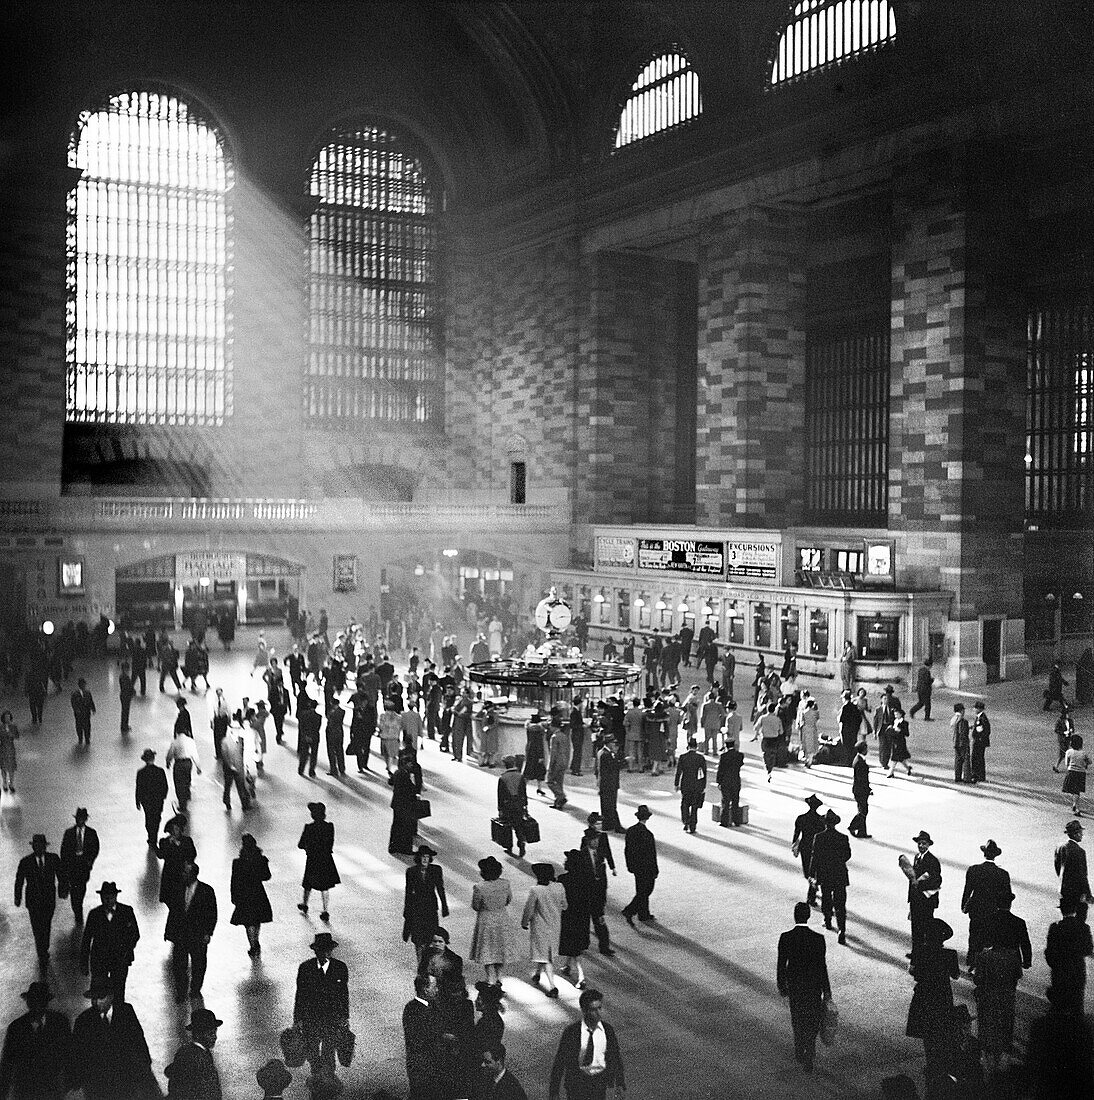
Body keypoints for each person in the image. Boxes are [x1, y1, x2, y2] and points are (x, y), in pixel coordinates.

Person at [68, 980, 158, 1100]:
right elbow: (77, 1052)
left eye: (100, 998)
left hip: (124, 1077)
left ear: (111, 997)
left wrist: (145, 1066)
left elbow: (138, 1039)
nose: (96, 1002)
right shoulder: (83, 1020)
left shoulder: (126, 1012)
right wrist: (76, 1080)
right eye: (93, 999)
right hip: (97, 1081)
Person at [906, 917, 960, 1095]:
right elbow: (956, 975)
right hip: (942, 995)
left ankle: (931, 1064)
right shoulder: (949, 954)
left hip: (924, 994)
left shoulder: (920, 951)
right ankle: (940, 1066)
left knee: (927, 1032)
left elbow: (914, 972)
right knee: (941, 1030)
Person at [776, 902, 831, 1073]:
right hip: (814, 987)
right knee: (813, 1018)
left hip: (795, 986)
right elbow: (822, 966)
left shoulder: (786, 937)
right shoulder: (818, 939)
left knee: (797, 1018)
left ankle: (800, 1047)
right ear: (808, 916)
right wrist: (827, 989)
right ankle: (810, 1046)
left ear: (795, 916)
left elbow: (781, 965)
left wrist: (782, 985)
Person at [548, 987, 626, 1100]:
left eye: (600, 1008)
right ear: (584, 1010)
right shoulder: (572, 1032)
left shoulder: (608, 1030)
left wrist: (619, 1084)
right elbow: (560, 1062)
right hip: (577, 1085)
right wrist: (554, 1092)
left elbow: (615, 1058)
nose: (599, 1013)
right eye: (594, 1010)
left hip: (599, 1084)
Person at [0, 981, 70, 1100]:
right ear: (28, 1003)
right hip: (25, 1090)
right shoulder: (16, 1028)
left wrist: (69, 1082)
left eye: (40, 1002)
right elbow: (7, 1062)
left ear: (46, 1003)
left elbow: (68, 1053)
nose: (37, 1006)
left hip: (51, 1089)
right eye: (33, 1002)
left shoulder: (60, 1023)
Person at [294, 932, 350, 1076]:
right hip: (311, 1019)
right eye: (321, 951)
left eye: (327, 950)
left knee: (329, 1052)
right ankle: (316, 1074)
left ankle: (328, 1077)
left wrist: (344, 1017)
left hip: (331, 1019)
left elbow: (344, 994)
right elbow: (300, 995)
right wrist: (297, 1019)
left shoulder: (340, 968)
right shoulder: (305, 968)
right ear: (316, 951)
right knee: (312, 1051)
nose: (325, 954)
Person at [165, 860, 217, 1001]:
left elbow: (212, 914)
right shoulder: (177, 889)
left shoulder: (206, 891)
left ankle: (195, 989)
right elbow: (173, 912)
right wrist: (169, 932)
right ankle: (181, 992)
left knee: (198, 964)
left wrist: (208, 932)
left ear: (193, 874)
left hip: (198, 935)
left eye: (185, 872)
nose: (183, 875)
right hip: (181, 935)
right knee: (179, 966)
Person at [79, 881, 139, 1000]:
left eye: (110, 897)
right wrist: (84, 963)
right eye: (105, 897)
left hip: (120, 959)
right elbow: (86, 939)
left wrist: (126, 950)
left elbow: (135, 934)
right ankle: (99, 1016)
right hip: (99, 960)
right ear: (101, 897)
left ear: (116, 897)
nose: (107, 900)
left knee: (119, 992)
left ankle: (118, 1016)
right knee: (99, 993)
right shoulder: (94, 914)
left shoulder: (126, 912)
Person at [14, 834, 65, 968]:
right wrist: (17, 897)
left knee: (46, 924)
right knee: (37, 927)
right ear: (33, 847)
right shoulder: (26, 862)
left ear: (45, 847)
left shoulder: (53, 859)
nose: (39, 848)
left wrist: (63, 889)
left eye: (41, 846)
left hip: (49, 900)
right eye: (36, 846)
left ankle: (44, 948)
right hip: (33, 901)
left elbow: (61, 875)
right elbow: (19, 880)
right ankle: (41, 951)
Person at [960, 839, 1011, 970]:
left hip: (976, 909)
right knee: (989, 936)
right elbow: (1006, 896)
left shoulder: (973, 869)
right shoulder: (1003, 874)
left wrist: (964, 906)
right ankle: (984, 965)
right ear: (996, 856)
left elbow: (967, 890)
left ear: (984, 854)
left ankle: (972, 962)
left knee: (974, 935)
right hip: (993, 910)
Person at [1045, 895, 1094, 1018]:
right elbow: (1088, 949)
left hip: (1059, 970)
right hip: (1077, 969)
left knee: (1059, 1001)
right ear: (1075, 910)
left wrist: (1054, 965)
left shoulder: (1055, 927)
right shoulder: (1084, 927)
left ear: (1062, 910)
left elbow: (1049, 952)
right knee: (1077, 1000)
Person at [522, 862, 566, 997]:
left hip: (541, 927)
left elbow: (529, 909)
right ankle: (537, 974)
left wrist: (524, 922)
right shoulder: (559, 887)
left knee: (546, 957)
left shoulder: (536, 890)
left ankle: (552, 987)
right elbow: (564, 906)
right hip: (555, 925)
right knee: (546, 952)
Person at [809, 810, 851, 945]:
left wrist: (812, 874)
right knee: (840, 902)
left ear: (825, 824)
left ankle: (827, 920)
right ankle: (842, 930)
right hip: (839, 874)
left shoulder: (819, 837)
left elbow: (814, 857)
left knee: (826, 897)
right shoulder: (843, 837)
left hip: (825, 874)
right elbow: (847, 855)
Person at [470, 856, 513, 987]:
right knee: (501, 949)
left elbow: (476, 906)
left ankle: (490, 978)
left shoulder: (479, 887)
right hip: (502, 918)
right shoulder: (505, 884)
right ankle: (499, 977)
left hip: (486, 920)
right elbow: (508, 900)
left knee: (487, 951)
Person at [165, 1007, 223, 1099]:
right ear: (198, 1034)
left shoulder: (185, 1051)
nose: (215, 1037)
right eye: (210, 1033)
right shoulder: (199, 1058)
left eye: (215, 1032)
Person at [404, 845, 450, 960]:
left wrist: (444, 905)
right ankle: (421, 964)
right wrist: (407, 910)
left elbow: (440, 888)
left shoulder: (436, 870)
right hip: (417, 908)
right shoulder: (411, 871)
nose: (425, 859)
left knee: (431, 935)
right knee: (418, 938)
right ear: (418, 858)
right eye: (423, 857)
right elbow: (408, 891)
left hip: (430, 908)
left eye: (427, 857)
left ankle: (430, 962)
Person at [230, 834, 272, 958]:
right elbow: (267, 876)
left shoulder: (237, 862)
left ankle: (252, 945)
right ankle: (256, 941)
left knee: (248, 922)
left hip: (243, 894)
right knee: (257, 919)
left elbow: (234, 880)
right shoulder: (261, 859)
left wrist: (234, 896)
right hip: (258, 892)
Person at [299, 802, 340, 922]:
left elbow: (300, 844)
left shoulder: (309, 828)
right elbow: (330, 843)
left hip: (312, 859)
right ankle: (325, 910)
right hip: (326, 859)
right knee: (325, 886)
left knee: (308, 883)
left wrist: (308, 847)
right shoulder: (329, 827)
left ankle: (305, 904)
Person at [557, 850, 592, 991]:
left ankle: (581, 977)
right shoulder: (587, 879)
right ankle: (567, 966)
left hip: (568, 916)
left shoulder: (562, 879)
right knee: (575, 944)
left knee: (573, 948)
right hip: (583, 917)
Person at [901, 830, 942, 948]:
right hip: (915, 899)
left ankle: (923, 954)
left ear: (929, 845)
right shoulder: (916, 857)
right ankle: (916, 952)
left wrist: (919, 884)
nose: (921, 846)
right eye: (919, 843)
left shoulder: (933, 860)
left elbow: (937, 880)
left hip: (926, 901)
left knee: (925, 927)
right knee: (915, 927)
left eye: (924, 843)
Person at [403, 973, 441, 1100]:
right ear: (425, 989)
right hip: (422, 1068)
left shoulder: (431, 1006)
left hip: (431, 1066)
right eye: (434, 987)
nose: (437, 990)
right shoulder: (413, 1010)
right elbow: (418, 1040)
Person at [581, 818, 615, 957]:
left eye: (597, 839)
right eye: (594, 840)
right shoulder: (582, 856)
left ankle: (604, 946)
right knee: (584, 923)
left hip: (598, 895)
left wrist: (603, 896)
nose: (596, 842)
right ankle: (583, 944)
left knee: (600, 922)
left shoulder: (600, 854)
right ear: (588, 841)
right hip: (587, 894)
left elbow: (603, 878)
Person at [59, 806, 99, 925]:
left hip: (83, 865)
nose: (80, 820)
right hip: (72, 865)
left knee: (81, 888)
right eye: (78, 818)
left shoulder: (91, 833)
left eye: (82, 818)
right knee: (74, 890)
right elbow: (64, 850)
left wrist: (90, 861)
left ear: (85, 819)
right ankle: (78, 911)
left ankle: (78, 905)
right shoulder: (69, 833)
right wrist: (65, 865)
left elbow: (95, 848)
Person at [621, 805, 658, 927]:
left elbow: (627, 850)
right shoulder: (648, 834)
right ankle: (630, 910)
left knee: (640, 889)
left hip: (636, 866)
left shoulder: (631, 831)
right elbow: (652, 855)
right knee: (646, 890)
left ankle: (643, 913)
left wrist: (629, 865)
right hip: (647, 867)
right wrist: (655, 869)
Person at [1055, 818, 1092, 921]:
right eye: (1081, 833)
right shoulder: (1080, 851)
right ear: (1076, 834)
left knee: (1066, 917)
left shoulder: (1060, 847)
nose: (1082, 835)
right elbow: (1082, 875)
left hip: (1064, 888)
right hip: (1077, 892)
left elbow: (1057, 866)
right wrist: (1087, 894)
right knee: (1080, 919)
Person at [791, 795, 825, 907]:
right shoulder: (821, 820)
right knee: (814, 871)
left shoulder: (801, 818)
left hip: (805, 846)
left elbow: (796, 834)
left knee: (807, 871)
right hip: (816, 848)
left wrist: (794, 844)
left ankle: (811, 893)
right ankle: (813, 888)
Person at [389, 749, 424, 855]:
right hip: (405, 805)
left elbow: (390, 782)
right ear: (406, 764)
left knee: (396, 825)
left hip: (397, 804)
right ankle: (405, 848)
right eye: (409, 763)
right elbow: (409, 789)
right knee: (406, 827)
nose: (411, 765)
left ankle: (394, 846)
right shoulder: (405, 775)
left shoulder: (398, 772)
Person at [158, 814, 197, 907]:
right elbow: (161, 855)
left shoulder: (187, 841)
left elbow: (192, 854)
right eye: (173, 829)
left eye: (176, 829)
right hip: (170, 876)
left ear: (180, 830)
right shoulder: (164, 842)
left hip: (183, 874)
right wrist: (169, 844)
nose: (174, 832)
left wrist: (179, 846)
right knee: (172, 902)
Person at [135, 748, 169, 848]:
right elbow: (165, 786)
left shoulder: (141, 772)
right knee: (157, 818)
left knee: (149, 818)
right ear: (153, 758)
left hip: (146, 801)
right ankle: (154, 836)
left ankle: (151, 836)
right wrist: (163, 797)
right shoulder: (160, 771)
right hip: (158, 800)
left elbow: (139, 787)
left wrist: (138, 800)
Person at [497, 756, 529, 859]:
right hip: (519, 805)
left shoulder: (503, 778)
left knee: (507, 827)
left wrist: (500, 809)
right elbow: (524, 792)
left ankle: (509, 846)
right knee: (518, 826)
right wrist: (525, 806)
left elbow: (500, 795)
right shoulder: (520, 776)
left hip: (507, 806)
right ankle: (521, 843)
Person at [418, 927, 464, 995]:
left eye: (440, 942)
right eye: (434, 941)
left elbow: (455, 980)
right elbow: (421, 971)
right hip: (427, 988)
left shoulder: (455, 959)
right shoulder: (426, 954)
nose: (437, 944)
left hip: (445, 991)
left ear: (446, 942)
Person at [674, 738, 707, 834]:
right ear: (696, 747)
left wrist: (676, 784)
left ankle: (686, 821)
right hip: (697, 785)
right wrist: (703, 785)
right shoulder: (700, 758)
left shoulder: (683, 757)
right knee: (694, 805)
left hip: (685, 784)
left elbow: (678, 772)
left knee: (685, 803)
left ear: (688, 746)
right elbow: (703, 773)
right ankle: (693, 825)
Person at [166, 724, 202, 811]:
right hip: (188, 763)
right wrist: (198, 767)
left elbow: (170, 754)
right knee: (187, 780)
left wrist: (168, 762)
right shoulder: (190, 741)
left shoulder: (175, 742)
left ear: (177, 732)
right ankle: (186, 795)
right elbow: (195, 754)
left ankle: (182, 803)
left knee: (178, 783)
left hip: (178, 763)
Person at [594, 734, 623, 834]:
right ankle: (617, 826)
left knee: (606, 806)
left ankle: (607, 824)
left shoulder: (600, 752)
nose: (615, 745)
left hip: (604, 783)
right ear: (609, 743)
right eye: (613, 743)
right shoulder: (606, 755)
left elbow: (597, 769)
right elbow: (614, 767)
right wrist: (623, 761)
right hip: (609, 784)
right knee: (611, 806)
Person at [219, 726, 250, 812]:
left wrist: (245, 765)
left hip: (239, 766)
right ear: (231, 730)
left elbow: (242, 753)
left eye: (238, 729)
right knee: (228, 785)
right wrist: (230, 765)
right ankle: (226, 801)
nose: (237, 731)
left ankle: (245, 804)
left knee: (241, 785)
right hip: (229, 768)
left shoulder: (241, 740)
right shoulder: (225, 741)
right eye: (235, 729)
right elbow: (224, 755)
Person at [716, 737, 744, 827]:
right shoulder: (740, 755)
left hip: (725, 781)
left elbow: (720, 770)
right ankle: (736, 820)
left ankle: (724, 821)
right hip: (736, 780)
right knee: (735, 801)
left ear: (726, 746)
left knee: (726, 801)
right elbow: (740, 764)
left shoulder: (723, 756)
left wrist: (719, 781)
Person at [1063, 734, 1093, 816]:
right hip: (1081, 773)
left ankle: (1076, 807)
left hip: (1071, 772)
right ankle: (1075, 804)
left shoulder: (1068, 752)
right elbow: (1090, 762)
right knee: (1077, 791)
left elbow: (1067, 763)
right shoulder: (1083, 753)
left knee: (1073, 790)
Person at [847, 741, 872, 839]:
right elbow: (862, 779)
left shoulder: (858, 759)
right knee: (863, 811)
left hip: (859, 789)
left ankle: (862, 831)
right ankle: (853, 826)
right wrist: (867, 789)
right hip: (860, 790)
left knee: (862, 810)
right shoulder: (860, 762)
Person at [753, 701, 782, 781]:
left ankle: (767, 770)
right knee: (772, 755)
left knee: (765, 754)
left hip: (765, 739)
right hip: (774, 739)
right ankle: (770, 769)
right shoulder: (777, 719)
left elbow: (755, 727)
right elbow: (781, 731)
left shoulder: (762, 718)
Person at [523, 711, 548, 793]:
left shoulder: (529, 729)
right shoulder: (538, 731)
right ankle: (539, 788)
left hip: (530, 751)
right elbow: (539, 744)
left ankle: (523, 788)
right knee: (540, 771)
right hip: (537, 753)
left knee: (528, 770)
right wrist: (541, 756)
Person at [969, 700, 991, 783]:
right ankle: (980, 775)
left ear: (979, 709)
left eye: (975, 708)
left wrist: (979, 738)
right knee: (979, 758)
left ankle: (976, 775)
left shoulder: (981, 718)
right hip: (980, 741)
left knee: (976, 758)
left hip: (979, 742)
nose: (974, 709)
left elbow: (984, 730)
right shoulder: (980, 717)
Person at [325, 697, 346, 777]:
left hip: (331, 733)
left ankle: (333, 769)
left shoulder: (332, 712)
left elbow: (331, 721)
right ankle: (342, 768)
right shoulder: (342, 711)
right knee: (339, 750)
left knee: (331, 752)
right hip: (339, 732)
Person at [698, 690, 724, 757]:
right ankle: (714, 751)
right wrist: (719, 720)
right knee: (714, 738)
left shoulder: (705, 705)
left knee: (707, 738)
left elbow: (702, 716)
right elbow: (723, 714)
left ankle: (706, 751)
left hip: (707, 723)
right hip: (716, 723)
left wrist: (702, 723)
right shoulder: (719, 705)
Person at [70, 678, 95, 746]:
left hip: (86, 712)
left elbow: (90, 701)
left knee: (87, 725)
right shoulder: (75, 694)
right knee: (79, 725)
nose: (83, 686)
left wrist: (93, 708)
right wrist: (76, 709)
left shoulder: (88, 692)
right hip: (79, 713)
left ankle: (87, 738)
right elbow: (73, 703)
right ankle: (80, 738)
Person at [950, 703, 971, 783]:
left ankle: (957, 776)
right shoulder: (962, 720)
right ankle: (967, 778)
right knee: (966, 760)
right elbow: (962, 732)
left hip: (955, 742)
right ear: (961, 710)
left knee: (958, 760)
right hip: (962, 742)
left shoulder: (953, 719)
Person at [0, 710, 18, 793]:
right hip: (3, 748)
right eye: (5, 717)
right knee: (3, 767)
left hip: (10, 748)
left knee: (11, 767)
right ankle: (4, 783)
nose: (7, 719)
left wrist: (10, 734)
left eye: (8, 717)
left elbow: (17, 736)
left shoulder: (13, 726)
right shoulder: (1, 727)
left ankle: (11, 783)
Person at [118, 661, 135, 733]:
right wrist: (132, 691)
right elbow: (127, 686)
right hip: (126, 696)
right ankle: (124, 726)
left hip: (125, 695)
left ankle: (125, 725)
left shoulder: (123, 676)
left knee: (125, 711)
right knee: (125, 711)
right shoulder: (124, 677)